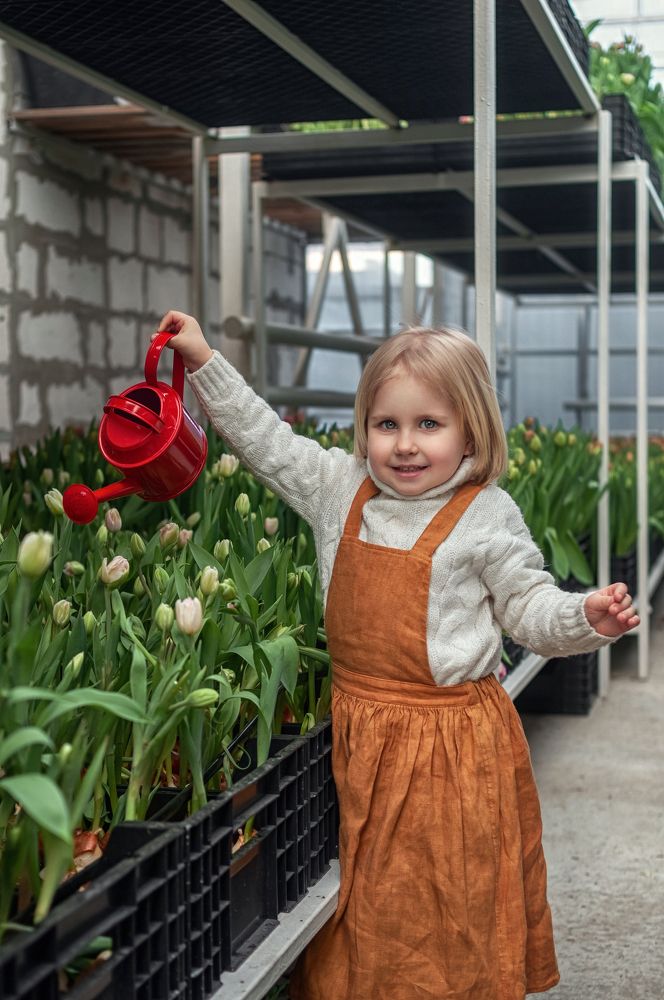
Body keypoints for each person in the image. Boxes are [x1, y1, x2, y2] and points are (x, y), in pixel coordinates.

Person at [155, 311, 639, 1000]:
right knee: (362, 903)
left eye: (428, 424)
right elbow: (265, 440)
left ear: (472, 430)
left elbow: (527, 609)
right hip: (358, 734)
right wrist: (204, 361)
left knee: (445, 900)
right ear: (365, 428)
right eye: (387, 424)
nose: (405, 445)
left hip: (449, 748)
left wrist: (583, 617)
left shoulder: (485, 514)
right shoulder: (341, 488)